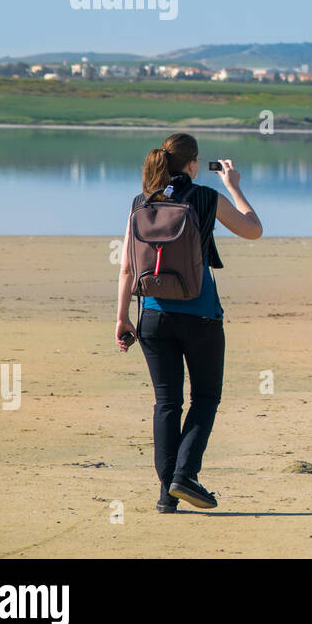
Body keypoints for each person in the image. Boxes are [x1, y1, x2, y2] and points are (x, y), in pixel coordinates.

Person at [114, 133, 262, 512]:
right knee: (206, 397)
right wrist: (233, 186)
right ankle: (185, 475)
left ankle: (167, 496)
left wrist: (121, 317)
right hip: (201, 316)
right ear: (194, 165)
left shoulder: (140, 202)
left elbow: (128, 266)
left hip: (152, 317)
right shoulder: (205, 198)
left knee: (167, 403)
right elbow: (253, 229)